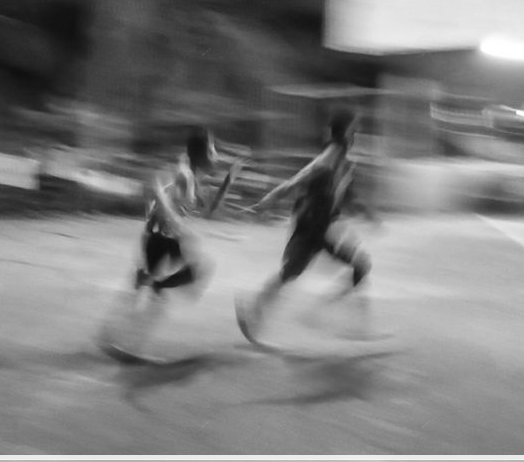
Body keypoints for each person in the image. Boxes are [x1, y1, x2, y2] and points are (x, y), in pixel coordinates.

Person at [235, 108, 379, 345]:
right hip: (311, 227)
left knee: (360, 265)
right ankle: (255, 313)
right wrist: (268, 200)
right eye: (354, 130)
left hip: (324, 228)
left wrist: (369, 214)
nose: (356, 135)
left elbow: (349, 196)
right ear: (344, 134)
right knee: (290, 273)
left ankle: (349, 323)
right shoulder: (327, 160)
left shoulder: (344, 163)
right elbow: (295, 182)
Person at [103, 125, 243, 358]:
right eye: (212, 149)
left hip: (167, 237)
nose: (216, 155)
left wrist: (229, 180)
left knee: (186, 275)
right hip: (159, 237)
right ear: (201, 154)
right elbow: (160, 193)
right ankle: (127, 343)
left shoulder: (193, 175)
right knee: (188, 275)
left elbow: (209, 210)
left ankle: (118, 334)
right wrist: (175, 219)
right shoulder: (184, 174)